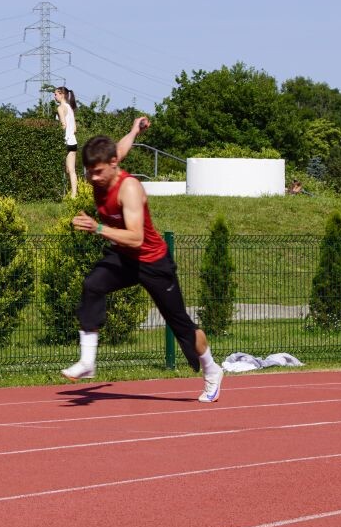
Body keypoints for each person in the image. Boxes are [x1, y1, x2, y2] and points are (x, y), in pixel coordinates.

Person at [60, 117, 224, 403]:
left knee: (182, 326)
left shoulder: (130, 188)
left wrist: (97, 228)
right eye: (89, 173)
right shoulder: (104, 166)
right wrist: (134, 130)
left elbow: (135, 238)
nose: (93, 178)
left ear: (112, 164)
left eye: (98, 172)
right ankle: (88, 362)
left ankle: (212, 370)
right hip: (124, 259)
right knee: (92, 285)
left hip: (152, 261)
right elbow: (121, 148)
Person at [54, 86, 79, 198]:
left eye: (56, 94)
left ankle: (66, 194)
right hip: (73, 141)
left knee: (64, 169)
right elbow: (74, 129)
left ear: (62, 94)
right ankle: (73, 194)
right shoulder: (70, 108)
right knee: (71, 170)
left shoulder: (60, 108)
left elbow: (63, 125)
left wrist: (55, 129)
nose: (55, 96)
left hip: (65, 142)